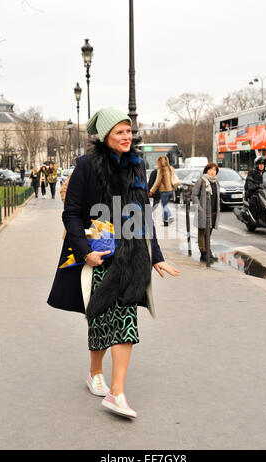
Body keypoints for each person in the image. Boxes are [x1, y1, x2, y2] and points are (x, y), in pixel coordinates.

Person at [47, 107, 180, 419]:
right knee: (100, 318)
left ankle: (117, 393)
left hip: (130, 255)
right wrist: (84, 252)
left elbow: (143, 216)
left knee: (125, 321)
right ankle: (95, 372)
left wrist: (156, 257)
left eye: (129, 131)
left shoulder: (136, 167)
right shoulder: (86, 166)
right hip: (97, 253)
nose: (127, 137)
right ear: (105, 136)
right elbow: (71, 213)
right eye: (120, 132)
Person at [192, 163, 220, 262]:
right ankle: (203, 253)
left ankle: (208, 252)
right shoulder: (201, 180)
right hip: (203, 211)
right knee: (202, 232)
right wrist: (200, 208)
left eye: (214, 170)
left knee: (209, 233)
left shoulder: (216, 182)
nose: (213, 172)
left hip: (213, 211)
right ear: (206, 171)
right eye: (210, 170)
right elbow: (194, 195)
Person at [148, 155, 175, 226]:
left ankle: (170, 216)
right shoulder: (170, 168)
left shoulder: (160, 170)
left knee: (164, 206)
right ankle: (165, 220)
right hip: (171, 191)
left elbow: (157, 182)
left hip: (164, 191)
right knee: (165, 205)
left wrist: (151, 191)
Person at [243, 154, 266, 222]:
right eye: (260, 164)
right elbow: (249, 184)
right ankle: (253, 219)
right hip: (252, 192)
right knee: (254, 200)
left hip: (264, 192)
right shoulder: (252, 173)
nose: (261, 165)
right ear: (256, 165)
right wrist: (257, 185)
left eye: (263, 164)